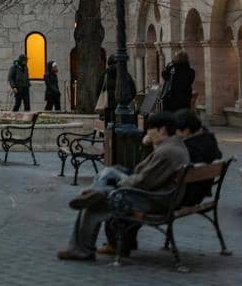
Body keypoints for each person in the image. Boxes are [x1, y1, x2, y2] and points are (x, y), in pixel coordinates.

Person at [58, 111, 190, 261]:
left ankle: (81, 250)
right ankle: (96, 192)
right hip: (163, 196)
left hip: (153, 201)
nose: (147, 133)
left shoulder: (167, 152)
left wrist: (121, 183)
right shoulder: (176, 147)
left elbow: (143, 181)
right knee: (110, 175)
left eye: (150, 129)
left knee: (92, 205)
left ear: (162, 130)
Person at [100, 109, 224, 256]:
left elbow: (153, 172)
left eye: (176, 131)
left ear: (186, 130)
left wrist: (151, 142)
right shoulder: (206, 140)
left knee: (121, 194)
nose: (173, 135)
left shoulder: (187, 148)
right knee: (124, 181)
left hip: (180, 195)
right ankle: (124, 240)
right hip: (192, 191)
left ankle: (118, 242)